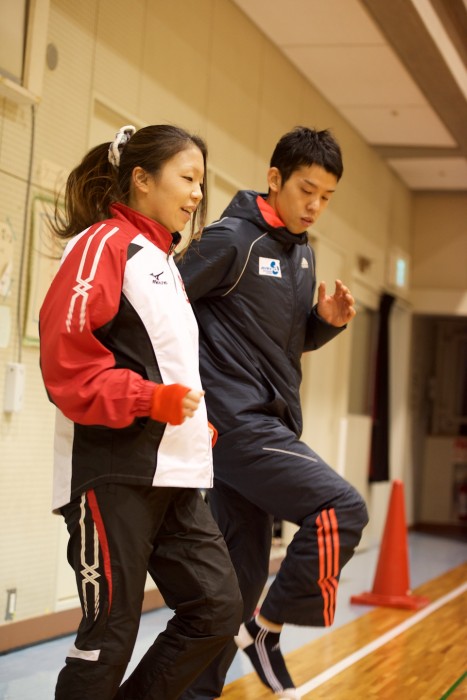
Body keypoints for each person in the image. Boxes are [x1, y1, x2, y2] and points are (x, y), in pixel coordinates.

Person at [39, 124, 243, 700]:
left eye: (203, 181)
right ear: (141, 179)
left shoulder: (162, 263)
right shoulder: (102, 245)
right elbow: (68, 365)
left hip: (173, 474)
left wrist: (191, 424)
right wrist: (150, 401)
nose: (198, 193)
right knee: (109, 639)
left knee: (216, 610)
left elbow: (160, 364)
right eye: (188, 178)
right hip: (112, 471)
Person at [177, 126, 369, 700]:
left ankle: (196, 690)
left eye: (327, 197)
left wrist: (323, 326)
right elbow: (164, 305)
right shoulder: (232, 240)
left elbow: (274, 345)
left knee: (236, 582)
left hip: (270, 422)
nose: (315, 206)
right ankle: (266, 630)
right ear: (274, 179)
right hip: (236, 425)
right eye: (306, 190)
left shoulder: (302, 253)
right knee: (341, 507)